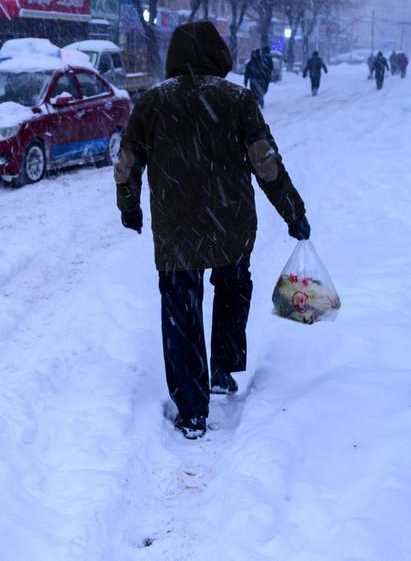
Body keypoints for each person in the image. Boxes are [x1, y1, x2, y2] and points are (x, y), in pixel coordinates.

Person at [114, 22, 309, 440]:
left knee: (180, 313)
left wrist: (129, 207)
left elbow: (127, 161)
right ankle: (222, 368)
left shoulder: (153, 102)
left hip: (176, 230)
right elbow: (265, 162)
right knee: (233, 288)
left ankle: (191, 410)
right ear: (218, 54)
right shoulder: (237, 99)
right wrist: (293, 212)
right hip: (231, 224)